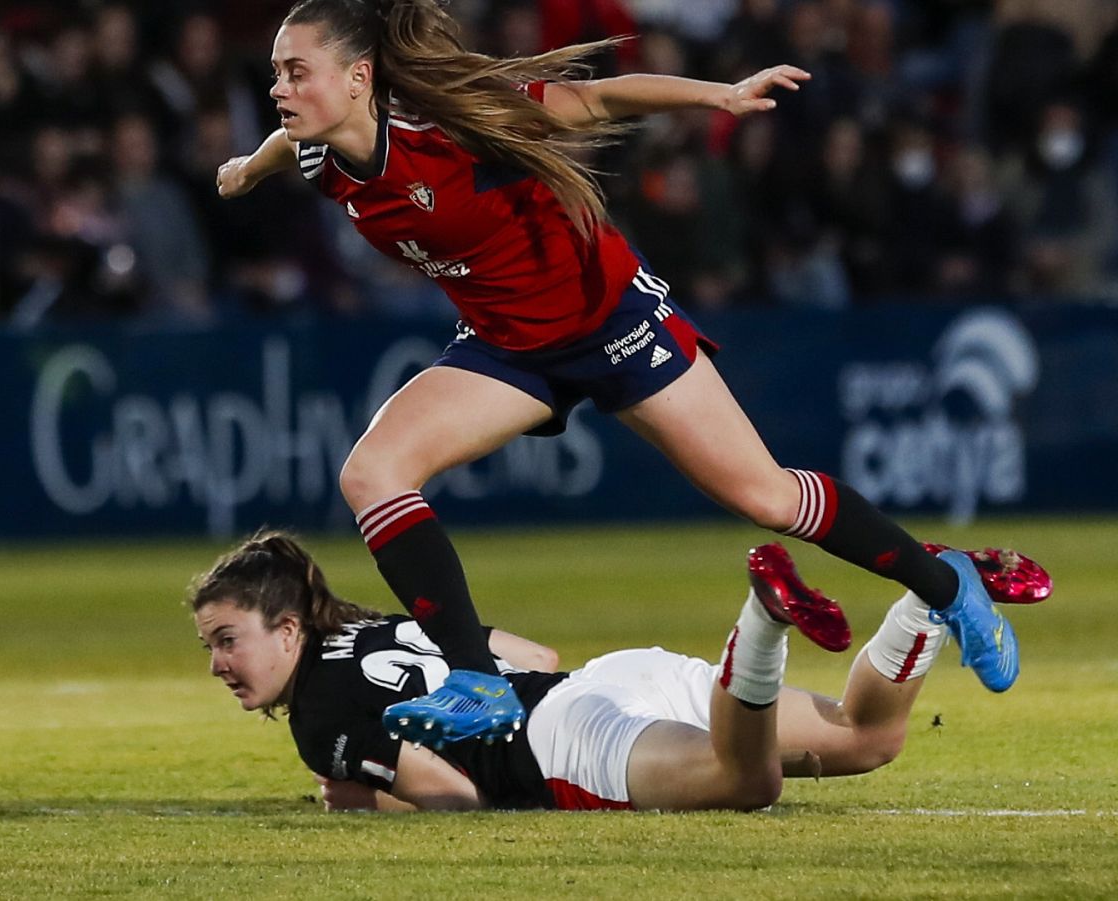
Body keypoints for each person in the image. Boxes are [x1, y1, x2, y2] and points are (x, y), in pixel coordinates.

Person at [214, 0, 1034, 745]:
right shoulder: (322, 152)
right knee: (374, 471)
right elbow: (292, 145)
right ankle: (477, 680)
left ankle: (948, 580)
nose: (280, 87)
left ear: (359, 79)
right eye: (277, 71)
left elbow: (598, 100)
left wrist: (717, 94)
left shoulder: (445, 124)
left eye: (296, 71)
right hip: (508, 347)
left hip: (611, 320)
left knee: (765, 496)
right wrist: (251, 165)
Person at [188, 531, 1050, 812]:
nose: (220, 663)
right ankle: (931, 599)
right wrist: (347, 784)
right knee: (870, 740)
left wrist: (357, 785)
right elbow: (532, 658)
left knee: (745, 781)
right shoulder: (374, 627)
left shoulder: (318, 714)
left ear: (289, 627)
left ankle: (762, 618)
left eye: (228, 639)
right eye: (211, 647)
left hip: (571, 744)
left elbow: (451, 793)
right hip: (608, 683)